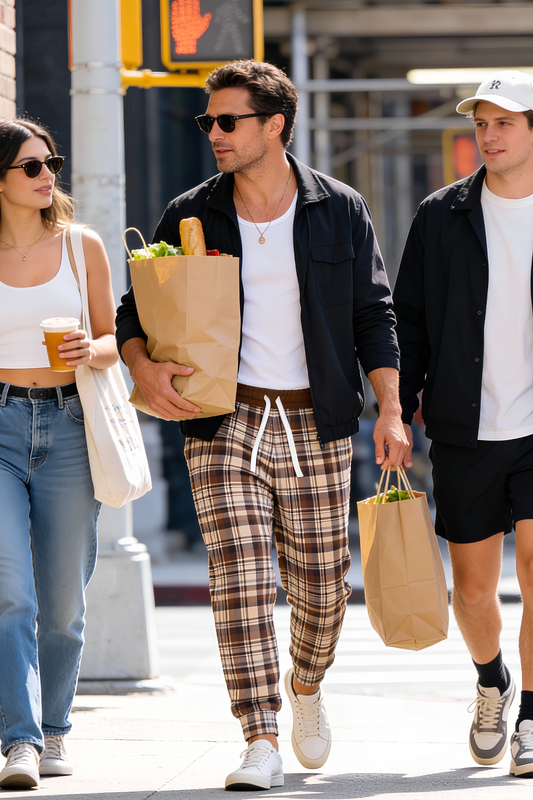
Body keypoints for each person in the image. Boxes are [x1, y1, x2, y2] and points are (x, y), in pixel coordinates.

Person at [116, 60, 407, 790]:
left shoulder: (339, 207)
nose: (213, 133)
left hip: (316, 419)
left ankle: (305, 683)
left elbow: (374, 315)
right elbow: (134, 310)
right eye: (206, 121)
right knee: (240, 577)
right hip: (223, 417)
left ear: (274, 124)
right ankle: (260, 737)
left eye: (228, 121)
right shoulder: (190, 213)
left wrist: (391, 410)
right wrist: (142, 367)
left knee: (323, 587)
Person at [394, 70, 533, 778]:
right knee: (473, 592)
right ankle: (492, 681)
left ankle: (532, 716)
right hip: (465, 426)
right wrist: (395, 410)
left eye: (504, 122)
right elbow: (408, 322)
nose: (488, 135)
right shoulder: (441, 215)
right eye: (481, 123)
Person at [0, 119, 118, 789]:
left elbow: (113, 340)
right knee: (9, 592)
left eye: (52, 163)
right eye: (31, 166)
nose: (47, 175)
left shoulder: (81, 245)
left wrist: (88, 349)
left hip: (69, 424)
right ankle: (19, 740)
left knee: (63, 601)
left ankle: (56, 729)